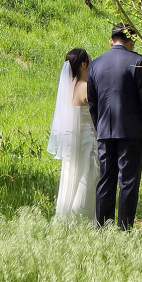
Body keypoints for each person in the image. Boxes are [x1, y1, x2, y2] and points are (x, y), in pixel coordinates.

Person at [87, 23, 142, 229]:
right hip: (131, 132)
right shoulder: (137, 61)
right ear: (131, 40)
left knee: (106, 180)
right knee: (128, 182)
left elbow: (92, 102)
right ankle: (124, 228)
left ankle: (103, 228)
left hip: (105, 131)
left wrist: (99, 127)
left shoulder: (96, 64)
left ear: (112, 40)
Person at [47, 48, 99, 221]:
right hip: (88, 138)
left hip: (74, 137)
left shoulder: (70, 87)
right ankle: (83, 218)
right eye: (90, 60)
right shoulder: (87, 87)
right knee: (88, 176)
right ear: (84, 65)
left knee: (73, 175)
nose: (93, 63)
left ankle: (68, 215)